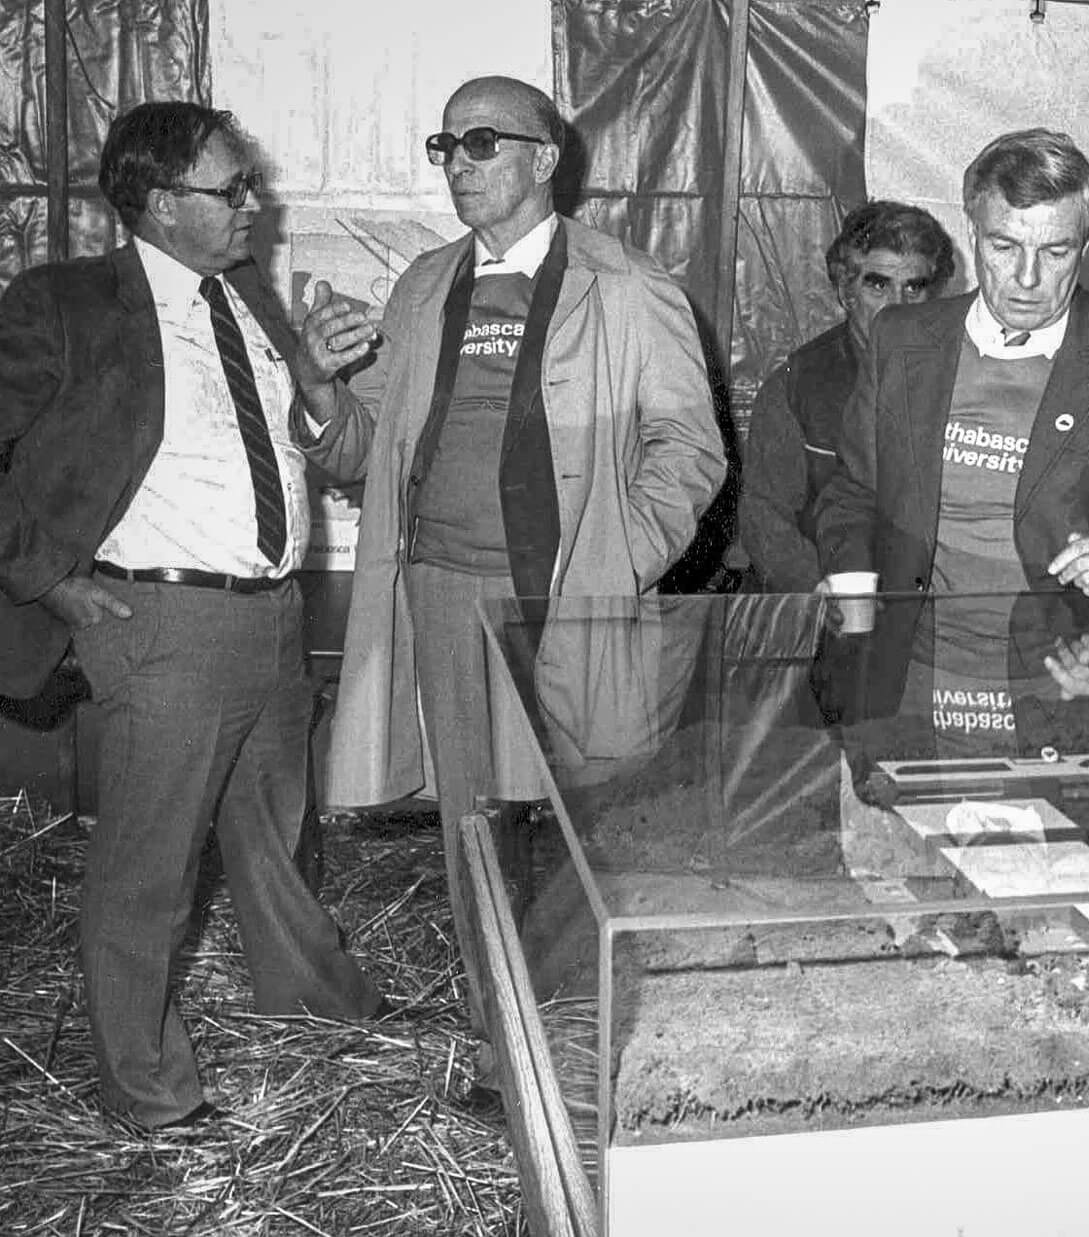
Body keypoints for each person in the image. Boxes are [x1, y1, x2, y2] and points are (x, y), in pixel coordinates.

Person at [293, 77, 725, 1050]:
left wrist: (616, 558)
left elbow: (691, 451)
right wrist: (317, 382)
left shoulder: (627, 287)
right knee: (476, 824)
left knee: (578, 816)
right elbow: (361, 450)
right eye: (446, 145)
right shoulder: (422, 287)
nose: (460, 164)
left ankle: (585, 1027)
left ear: (546, 158)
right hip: (440, 593)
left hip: (565, 597)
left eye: (482, 142)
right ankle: (503, 1036)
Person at [0, 101, 383, 1131]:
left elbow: (328, 453)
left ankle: (316, 1013)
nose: (255, 203)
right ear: (164, 205)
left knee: (278, 841)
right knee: (149, 874)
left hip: (273, 618)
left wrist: (314, 380)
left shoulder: (251, 299)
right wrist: (47, 580)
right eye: (233, 188)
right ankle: (149, 1094)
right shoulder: (66, 302)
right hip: (160, 624)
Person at [812, 127, 1089, 608]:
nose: (1027, 277)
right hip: (914, 653)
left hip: (1071, 657)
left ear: (1087, 245)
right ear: (971, 233)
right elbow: (853, 493)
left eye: (1055, 252)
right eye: (1003, 247)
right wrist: (850, 578)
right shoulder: (900, 338)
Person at [738, 201, 955, 593]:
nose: (897, 304)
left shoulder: (962, 378)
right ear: (845, 290)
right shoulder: (795, 386)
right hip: (830, 608)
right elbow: (764, 520)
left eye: (914, 287)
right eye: (878, 284)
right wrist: (825, 590)